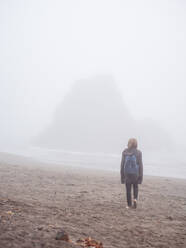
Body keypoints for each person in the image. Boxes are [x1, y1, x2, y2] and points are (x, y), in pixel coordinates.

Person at [120, 138, 143, 209]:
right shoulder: (139, 152)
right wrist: (140, 177)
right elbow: (140, 165)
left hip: (127, 173)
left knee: (128, 189)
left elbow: (122, 164)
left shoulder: (125, 151)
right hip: (135, 173)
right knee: (135, 187)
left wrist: (122, 176)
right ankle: (135, 199)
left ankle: (129, 205)